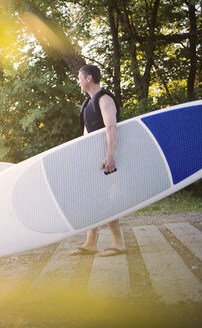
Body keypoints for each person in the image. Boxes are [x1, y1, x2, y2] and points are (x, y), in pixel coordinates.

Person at [68, 64, 127, 257]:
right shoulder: (88, 103)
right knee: (90, 200)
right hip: (92, 161)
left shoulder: (104, 99)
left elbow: (111, 127)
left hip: (105, 160)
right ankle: (90, 243)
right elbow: (88, 136)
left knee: (104, 199)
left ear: (89, 78)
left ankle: (119, 243)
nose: (78, 81)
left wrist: (110, 155)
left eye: (79, 77)